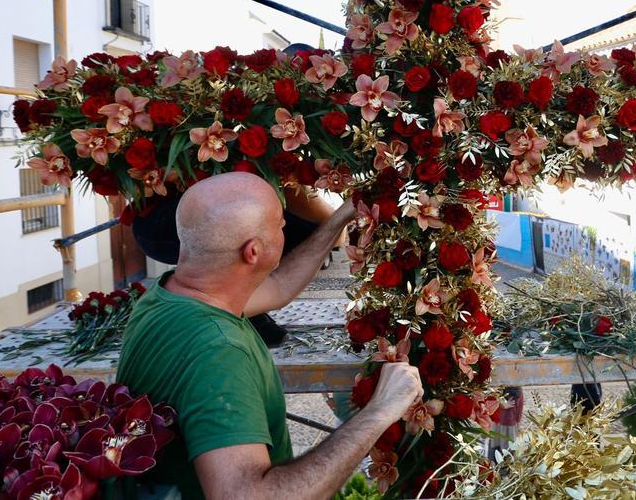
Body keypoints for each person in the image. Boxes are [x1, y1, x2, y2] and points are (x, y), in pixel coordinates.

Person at [117, 173, 423, 499]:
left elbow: (279, 287)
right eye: (280, 223)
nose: (285, 229)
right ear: (253, 251)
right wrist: (379, 410)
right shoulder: (219, 353)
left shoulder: (168, 296)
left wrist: (340, 217)